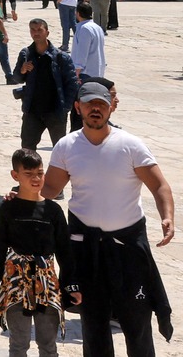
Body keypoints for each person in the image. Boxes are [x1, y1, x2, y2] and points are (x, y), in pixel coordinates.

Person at [44, 82, 176, 357]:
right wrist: (18, 196)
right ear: (78, 107)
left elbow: (160, 186)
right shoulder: (67, 147)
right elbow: (49, 190)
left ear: (111, 107)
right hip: (86, 249)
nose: (96, 109)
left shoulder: (130, 145)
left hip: (127, 247)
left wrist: (167, 217)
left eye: (102, 105)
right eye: (90, 104)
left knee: (137, 320)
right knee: (93, 322)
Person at [0, 147, 79, 357]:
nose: (36, 179)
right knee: (19, 343)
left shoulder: (53, 211)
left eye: (40, 173)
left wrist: (71, 285)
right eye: (29, 174)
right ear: (15, 175)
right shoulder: (6, 208)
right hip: (16, 283)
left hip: (47, 284)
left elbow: (65, 251)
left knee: (48, 344)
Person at [15, 18, 78, 151]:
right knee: (27, 149)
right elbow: (16, 77)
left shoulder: (61, 57)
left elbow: (72, 84)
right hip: (32, 111)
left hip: (55, 111)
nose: (36, 33)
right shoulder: (26, 54)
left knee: (61, 150)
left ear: (47, 32)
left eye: (39, 30)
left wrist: (65, 107)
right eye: (33, 30)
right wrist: (23, 70)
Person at [71, 1, 108, 83]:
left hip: (86, 72)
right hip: (97, 70)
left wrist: (77, 71)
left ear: (78, 13)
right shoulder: (97, 27)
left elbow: (82, 51)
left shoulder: (84, 29)